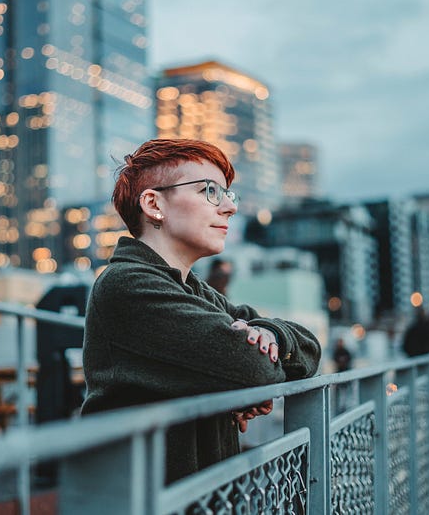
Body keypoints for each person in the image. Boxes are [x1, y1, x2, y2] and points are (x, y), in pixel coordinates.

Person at [80, 139, 322, 483]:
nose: (229, 208)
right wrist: (241, 380)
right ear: (153, 204)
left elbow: (309, 349)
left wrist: (271, 335)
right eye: (209, 191)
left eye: (228, 194)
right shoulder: (128, 284)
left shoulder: (195, 289)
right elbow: (253, 369)